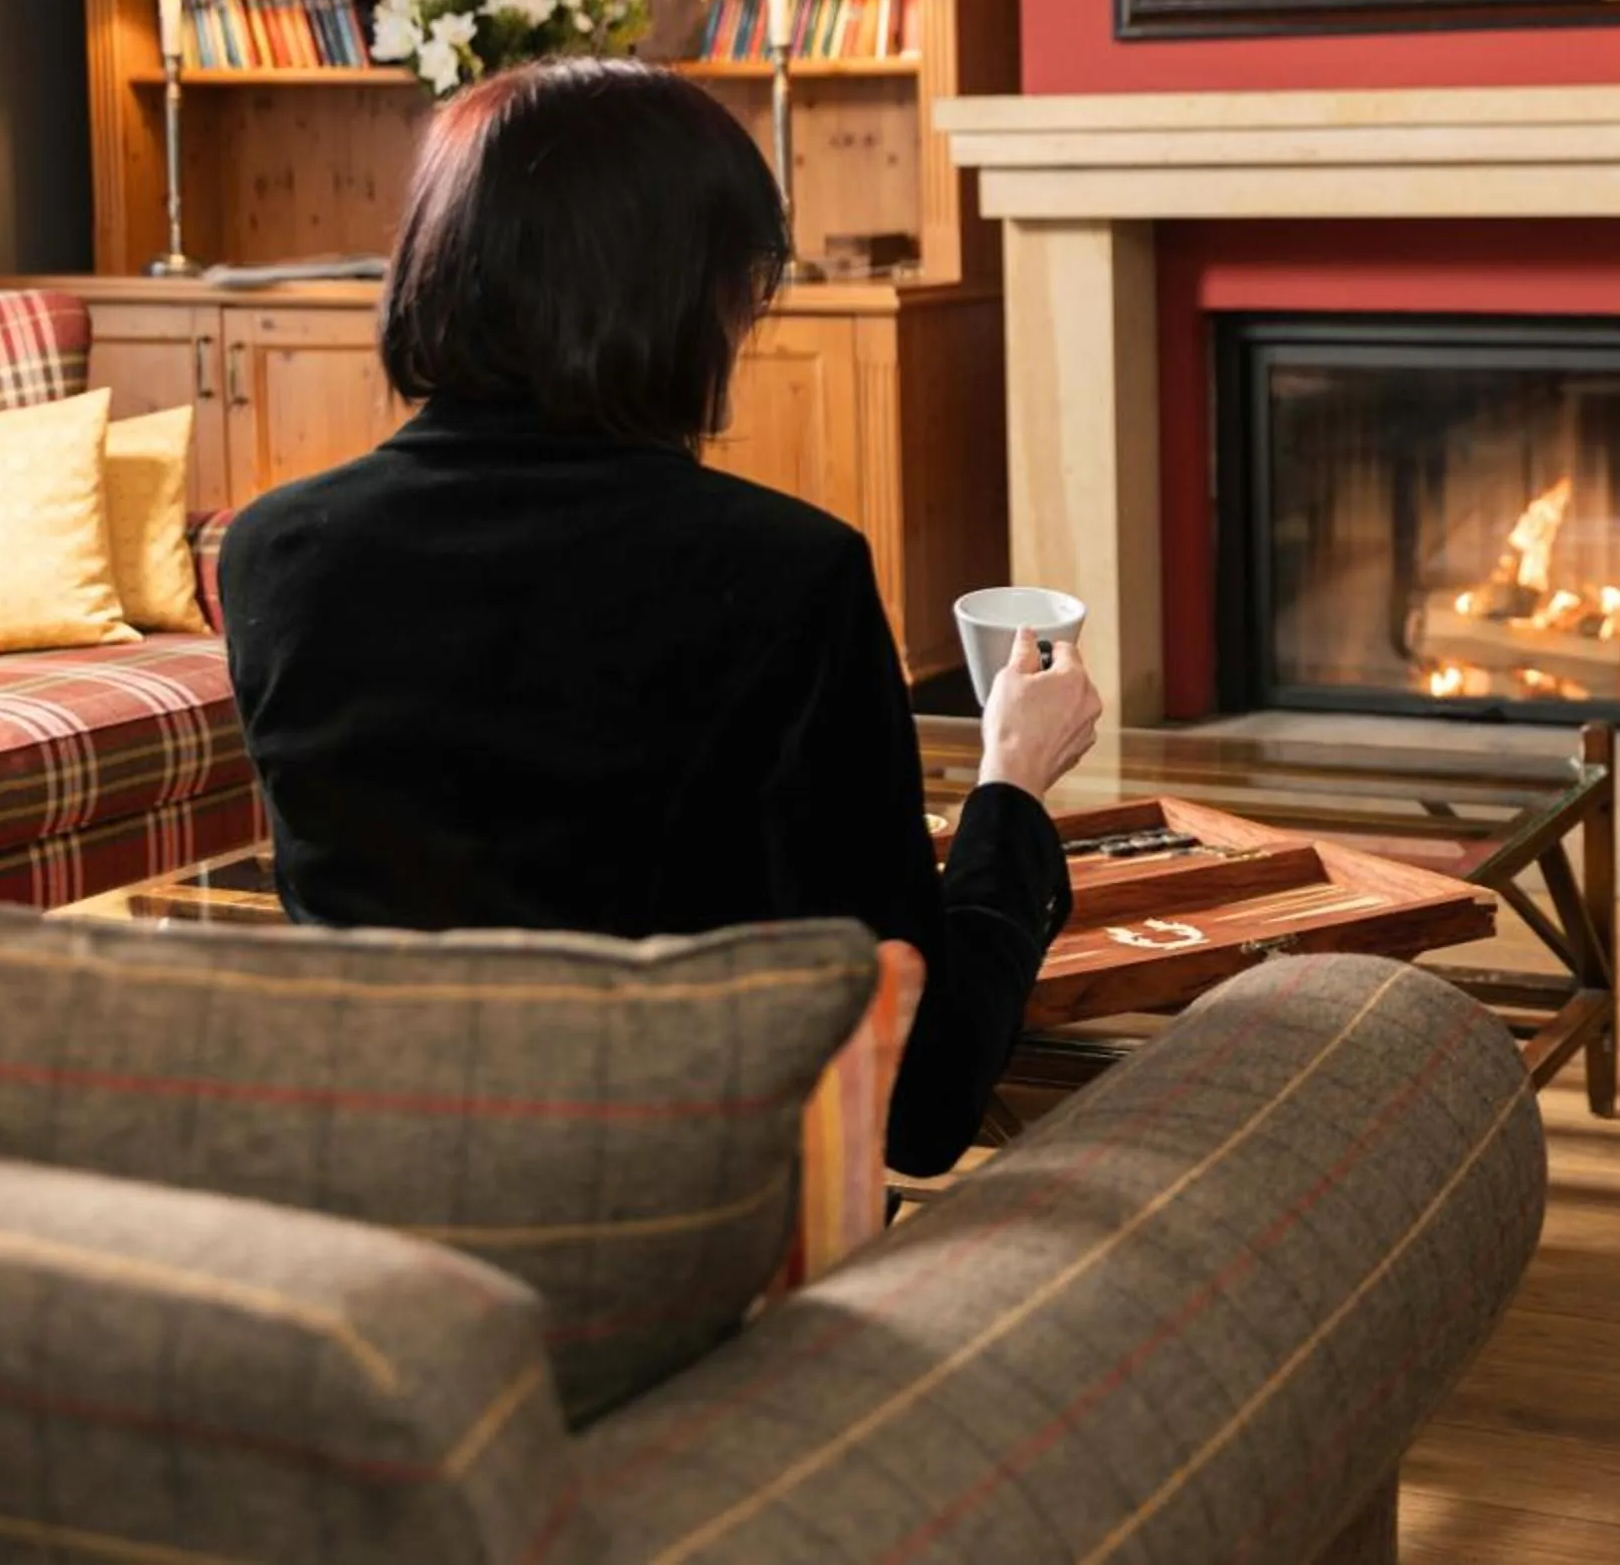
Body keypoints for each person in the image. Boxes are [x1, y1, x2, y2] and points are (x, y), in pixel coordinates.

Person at [222, 59, 1098, 1174]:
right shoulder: (790, 576)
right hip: (685, 1229)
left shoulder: (271, 556)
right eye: (744, 292)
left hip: (378, 1208)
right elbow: (920, 1100)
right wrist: (1011, 791)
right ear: (686, 301)